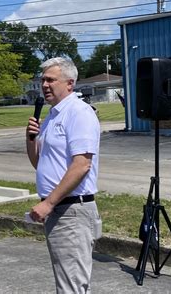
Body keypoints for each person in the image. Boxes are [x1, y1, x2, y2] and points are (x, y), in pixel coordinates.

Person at [26, 57, 102, 293]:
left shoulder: (79, 113)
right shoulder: (52, 116)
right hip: (59, 210)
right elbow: (40, 163)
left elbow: (82, 165)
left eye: (51, 80)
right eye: (43, 80)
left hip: (72, 211)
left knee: (72, 286)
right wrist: (30, 139)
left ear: (70, 83)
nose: (45, 85)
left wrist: (48, 203)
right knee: (66, 282)